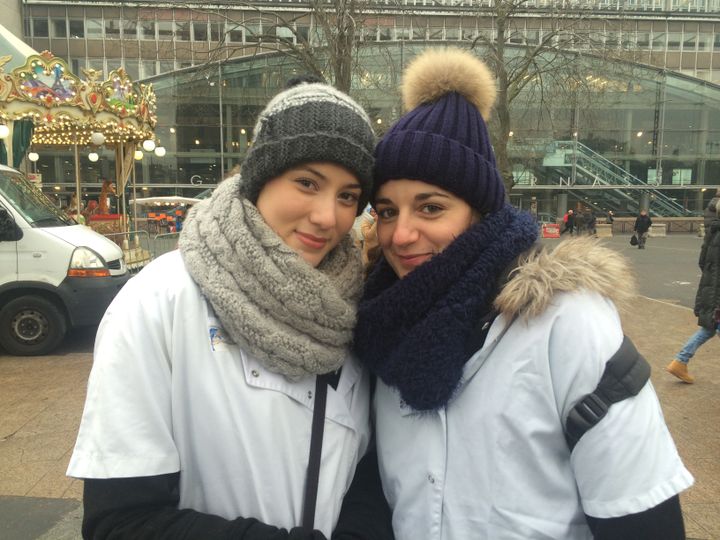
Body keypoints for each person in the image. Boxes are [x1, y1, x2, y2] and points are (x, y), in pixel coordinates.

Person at [353, 48, 692, 540]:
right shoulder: (379, 324)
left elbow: (642, 512)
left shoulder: (566, 322)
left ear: (480, 211)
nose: (400, 235)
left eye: (430, 208)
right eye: (386, 211)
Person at [67, 80, 390, 539]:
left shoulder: (350, 310)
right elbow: (120, 521)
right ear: (260, 178)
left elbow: (362, 473)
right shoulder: (162, 299)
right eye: (307, 182)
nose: (327, 216)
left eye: (347, 195)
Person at [667, 200, 720, 383]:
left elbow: (702, 262)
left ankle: (680, 361)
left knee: (708, 329)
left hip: (712, 290)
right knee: (711, 328)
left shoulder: (713, 231)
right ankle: (679, 362)